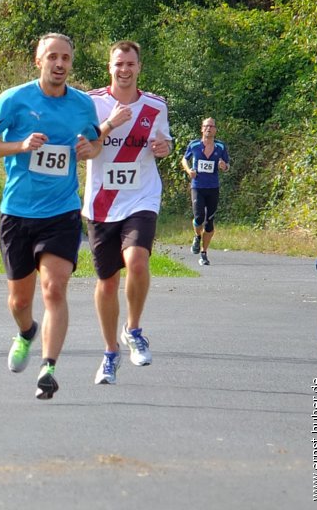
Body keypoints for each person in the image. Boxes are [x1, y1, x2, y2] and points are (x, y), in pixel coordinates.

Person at [0, 33, 102, 400]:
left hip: (61, 212)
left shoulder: (81, 105)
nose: (59, 64)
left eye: (65, 58)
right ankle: (27, 331)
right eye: (52, 58)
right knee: (18, 302)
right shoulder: (14, 100)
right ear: (39, 61)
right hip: (17, 212)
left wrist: (86, 149)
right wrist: (20, 145)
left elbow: (94, 143)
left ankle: (49, 367)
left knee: (55, 287)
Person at [82, 40, 173, 386]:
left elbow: (163, 144)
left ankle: (133, 329)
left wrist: (164, 148)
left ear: (139, 67)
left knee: (137, 260)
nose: (124, 69)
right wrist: (109, 125)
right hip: (102, 203)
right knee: (107, 283)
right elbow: (84, 150)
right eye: (118, 64)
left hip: (141, 197)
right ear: (110, 67)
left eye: (130, 64)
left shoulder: (155, 106)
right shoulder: (92, 103)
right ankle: (110, 353)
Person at [181, 117, 230, 266]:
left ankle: (204, 253)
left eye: (212, 126)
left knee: (209, 223)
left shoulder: (220, 147)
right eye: (206, 126)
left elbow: (227, 166)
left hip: (213, 187)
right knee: (199, 216)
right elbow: (184, 159)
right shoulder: (194, 145)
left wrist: (224, 166)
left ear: (215, 130)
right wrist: (189, 170)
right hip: (197, 186)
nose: (209, 129)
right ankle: (197, 236)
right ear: (202, 129)